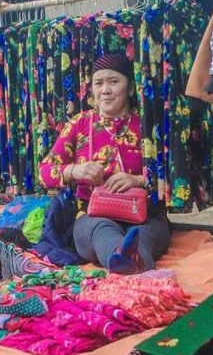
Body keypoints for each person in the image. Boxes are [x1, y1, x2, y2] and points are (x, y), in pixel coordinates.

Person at [38, 53, 170, 274]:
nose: (105, 90)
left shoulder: (147, 124)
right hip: (93, 217)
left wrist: (138, 179)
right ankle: (128, 262)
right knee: (102, 231)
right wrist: (74, 170)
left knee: (141, 236)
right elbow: (44, 173)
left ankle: (130, 263)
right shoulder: (80, 124)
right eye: (98, 83)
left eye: (114, 81)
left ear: (129, 88)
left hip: (145, 215)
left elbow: (173, 174)